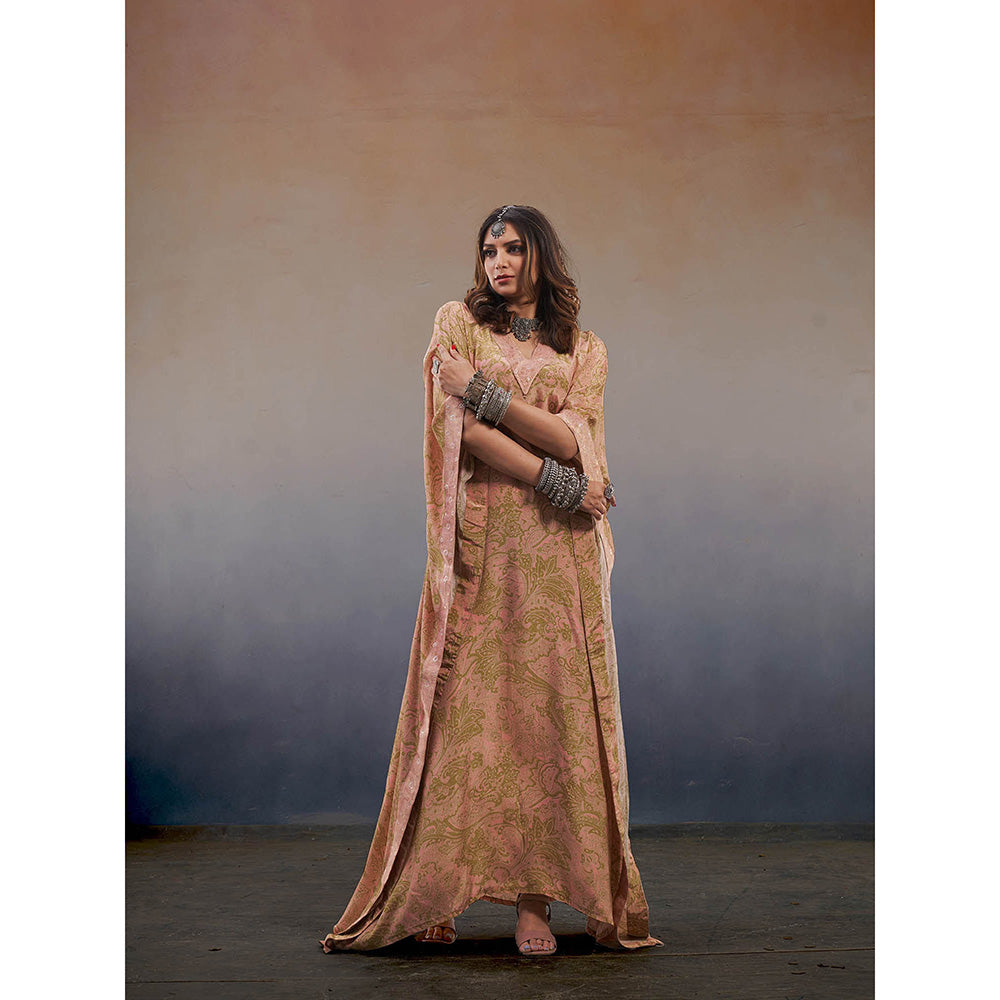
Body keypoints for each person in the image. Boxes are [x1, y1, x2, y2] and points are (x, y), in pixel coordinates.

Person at [320, 205, 661, 955]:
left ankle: (535, 906)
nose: (497, 262)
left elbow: (576, 438)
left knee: (549, 719)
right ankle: (435, 888)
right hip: (481, 547)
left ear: (542, 255)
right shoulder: (459, 325)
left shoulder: (586, 349)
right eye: (488, 250)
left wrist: (486, 394)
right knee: (467, 715)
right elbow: (464, 434)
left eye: (512, 248)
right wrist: (560, 480)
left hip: (558, 556)